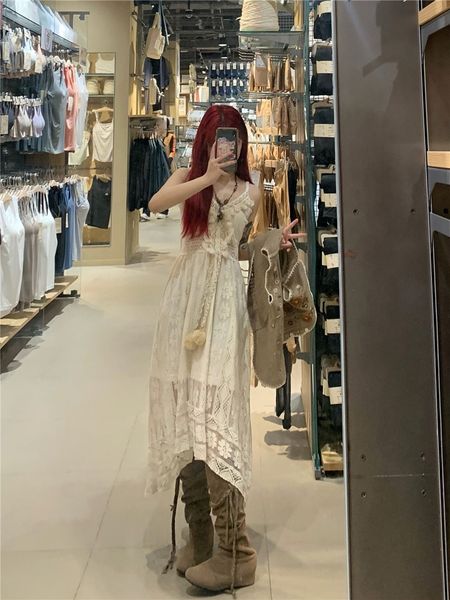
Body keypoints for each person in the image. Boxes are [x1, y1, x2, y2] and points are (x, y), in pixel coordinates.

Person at [147, 105, 299, 594]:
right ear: (207, 142)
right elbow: (155, 202)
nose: (228, 147)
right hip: (184, 300)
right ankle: (202, 537)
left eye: (233, 139)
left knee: (216, 409)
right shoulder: (187, 178)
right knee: (186, 407)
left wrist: (272, 242)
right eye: (219, 138)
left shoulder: (251, 192)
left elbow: (233, 248)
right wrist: (206, 177)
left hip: (223, 306)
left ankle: (236, 551)